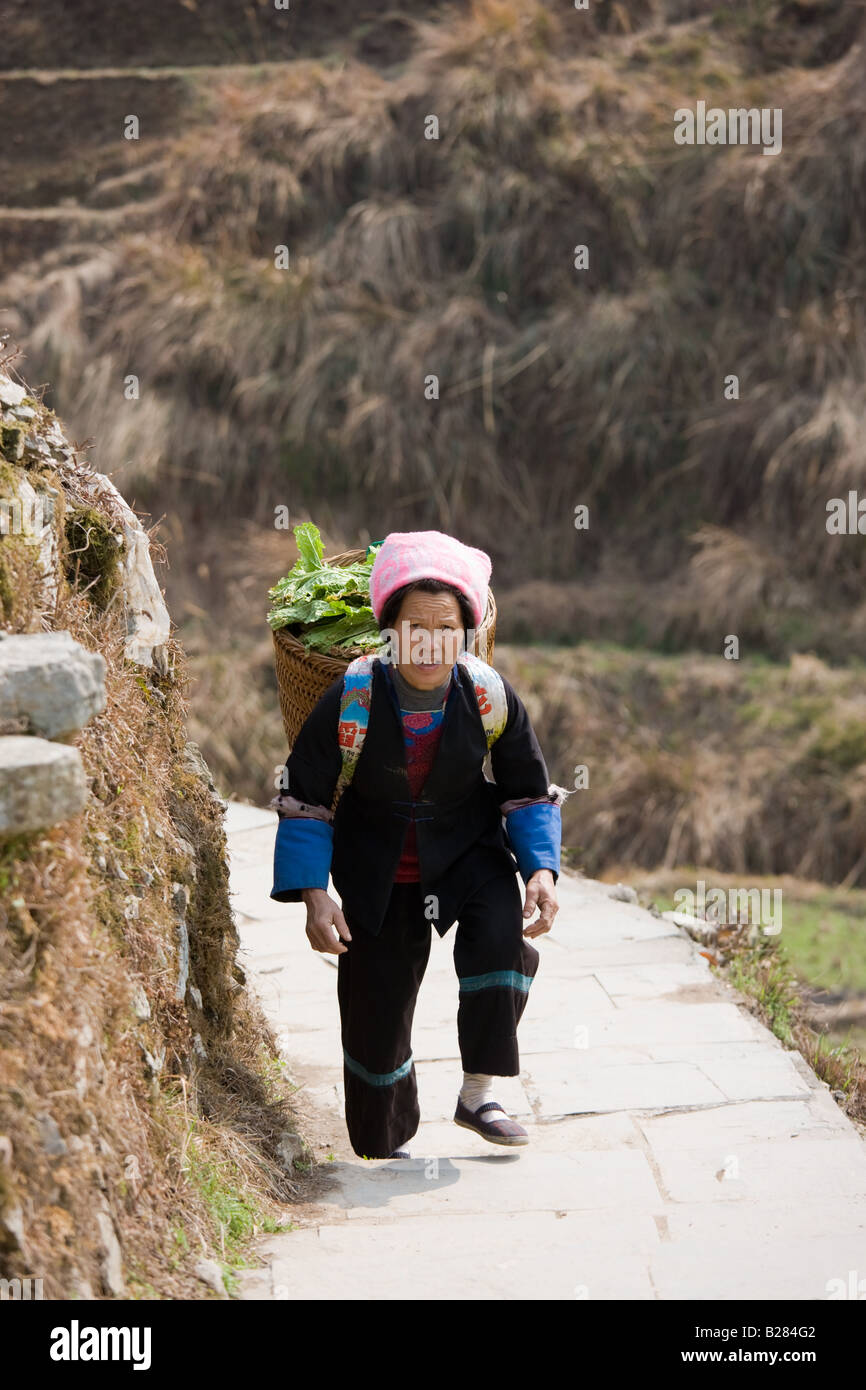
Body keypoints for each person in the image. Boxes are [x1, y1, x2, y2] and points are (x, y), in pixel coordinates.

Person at [270, 529, 563, 1160]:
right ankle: (385, 1133)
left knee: (500, 937)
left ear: (467, 635)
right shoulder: (351, 697)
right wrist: (313, 894)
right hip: (380, 868)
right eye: (415, 627)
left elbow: (527, 791)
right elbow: (305, 799)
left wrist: (540, 869)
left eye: (446, 628)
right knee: (376, 1003)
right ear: (390, 632)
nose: (430, 642)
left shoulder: (488, 694)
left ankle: (481, 1093)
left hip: (467, 852)